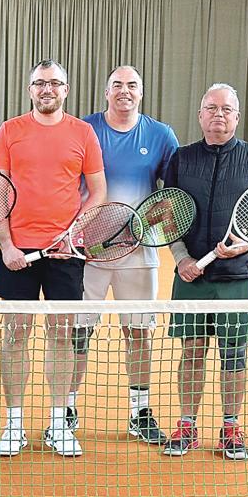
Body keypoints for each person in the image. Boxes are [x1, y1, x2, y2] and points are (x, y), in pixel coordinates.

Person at [0, 59, 106, 458]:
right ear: (30, 89)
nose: (47, 90)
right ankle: (14, 424)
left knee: (61, 334)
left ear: (66, 89)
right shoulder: (9, 131)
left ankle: (58, 423)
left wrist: (72, 235)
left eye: (55, 83)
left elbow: (98, 192)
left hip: (65, 253)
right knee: (14, 335)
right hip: (18, 250)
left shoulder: (83, 133)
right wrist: (6, 244)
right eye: (40, 83)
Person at [161, 83, 248, 460]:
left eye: (226, 109)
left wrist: (246, 244)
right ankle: (187, 426)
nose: (218, 114)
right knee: (192, 352)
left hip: (238, 277)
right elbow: (168, 214)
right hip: (191, 275)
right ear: (200, 115)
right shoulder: (181, 158)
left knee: (234, 355)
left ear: (237, 116)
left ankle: (230, 427)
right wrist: (180, 259)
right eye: (211, 108)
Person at [69, 65, 178, 444]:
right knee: (78, 332)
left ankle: (140, 411)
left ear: (142, 93)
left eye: (132, 85)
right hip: (90, 252)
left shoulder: (161, 136)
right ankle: (67, 407)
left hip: (138, 252)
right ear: (106, 92)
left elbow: (171, 195)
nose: (124, 91)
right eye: (117, 85)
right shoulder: (85, 130)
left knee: (138, 332)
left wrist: (143, 222)